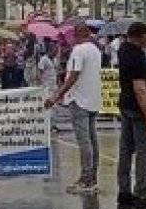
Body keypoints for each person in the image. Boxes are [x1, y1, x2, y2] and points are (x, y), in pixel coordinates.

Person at [44, 23, 103, 193]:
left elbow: (73, 76)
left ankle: (86, 179)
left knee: (84, 141)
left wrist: (56, 96)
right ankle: (92, 177)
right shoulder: (95, 50)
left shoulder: (79, 51)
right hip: (93, 99)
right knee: (92, 140)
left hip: (79, 100)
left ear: (77, 34)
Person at [117, 21, 146, 209]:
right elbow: (140, 89)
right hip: (138, 110)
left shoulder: (123, 50)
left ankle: (124, 191)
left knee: (126, 150)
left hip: (126, 106)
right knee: (144, 152)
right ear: (140, 37)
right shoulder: (137, 58)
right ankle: (141, 194)